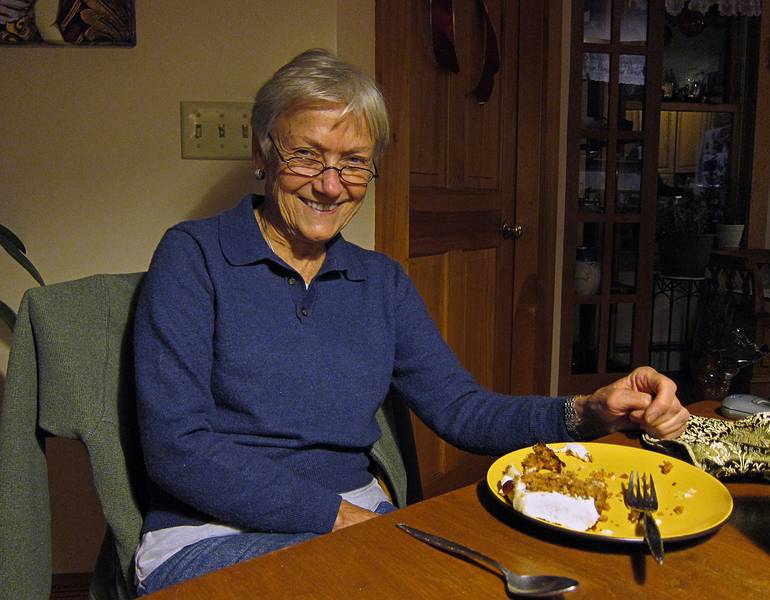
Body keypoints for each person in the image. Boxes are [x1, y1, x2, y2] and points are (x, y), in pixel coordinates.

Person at [133, 48, 689, 595]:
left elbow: (462, 410)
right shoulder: (193, 256)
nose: (331, 185)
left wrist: (588, 411)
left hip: (356, 521)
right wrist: (340, 521)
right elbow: (178, 448)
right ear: (262, 153)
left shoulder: (382, 282)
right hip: (212, 534)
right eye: (306, 155)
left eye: (354, 162)